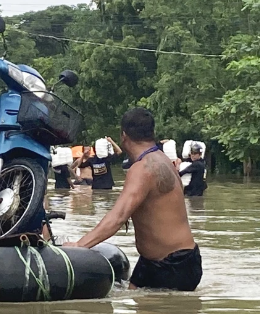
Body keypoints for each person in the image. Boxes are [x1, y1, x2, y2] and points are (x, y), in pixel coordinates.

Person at [64, 108, 202, 291]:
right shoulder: (163, 160)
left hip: (173, 265)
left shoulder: (142, 169)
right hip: (157, 261)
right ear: (152, 133)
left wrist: (78, 246)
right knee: (134, 302)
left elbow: (118, 216)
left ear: (124, 136)